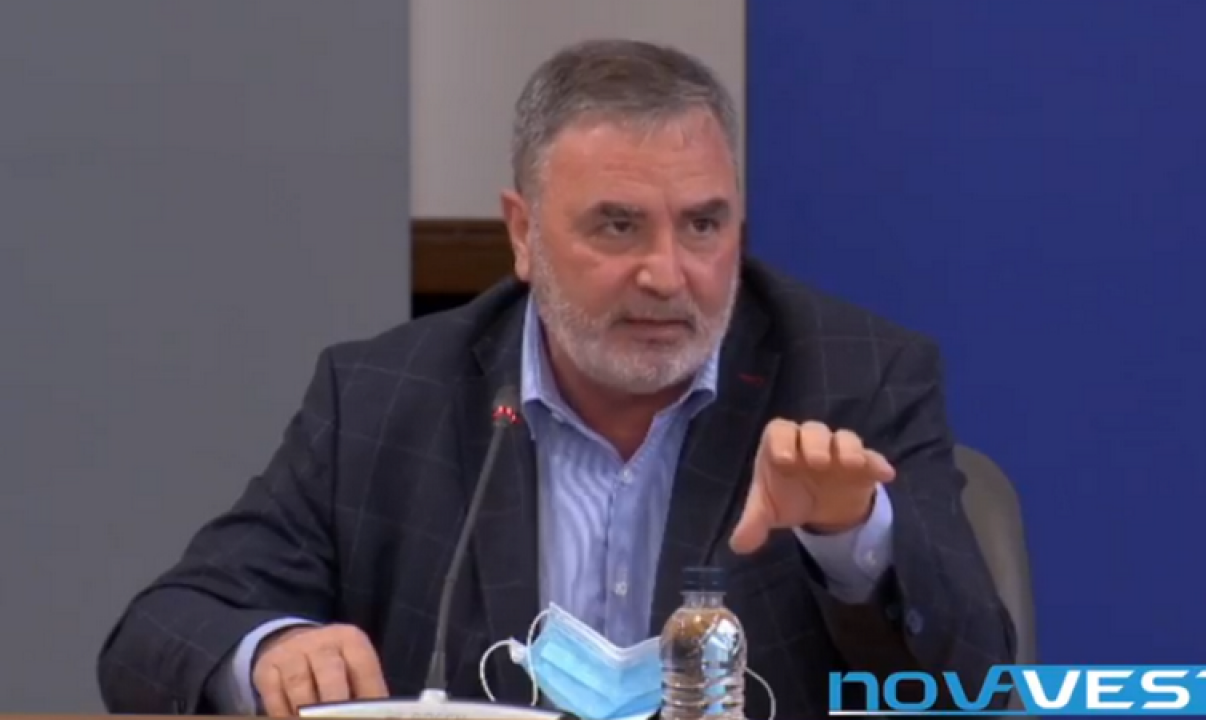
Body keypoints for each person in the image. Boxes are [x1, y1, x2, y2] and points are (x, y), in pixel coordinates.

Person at [97, 39, 1014, 718]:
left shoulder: (854, 376)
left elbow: (976, 690)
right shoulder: (384, 398)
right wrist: (270, 651)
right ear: (524, 234)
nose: (668, 274)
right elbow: (159, 631)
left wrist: (853, 537)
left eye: (703, 225)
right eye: (618, 226)